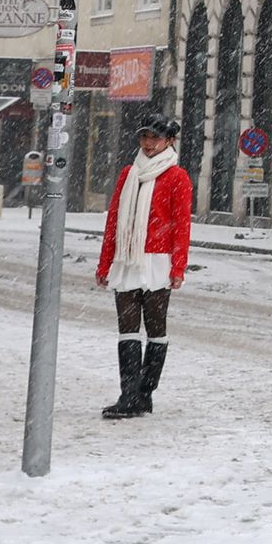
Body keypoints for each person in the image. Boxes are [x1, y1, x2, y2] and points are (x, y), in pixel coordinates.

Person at [95, 109, 191, 420]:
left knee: (156, 328)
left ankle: (146, 393)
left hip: (157, 261)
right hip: (126, 258)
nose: (149, 143)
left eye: (156, 137)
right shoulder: (128, 173)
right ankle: (128, 395)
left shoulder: (177, 177)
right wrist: (105, 263)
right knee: (127, 329)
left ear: (170, 141)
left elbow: (181, 226)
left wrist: (178, 268)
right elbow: (114, 221)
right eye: (145, 136)